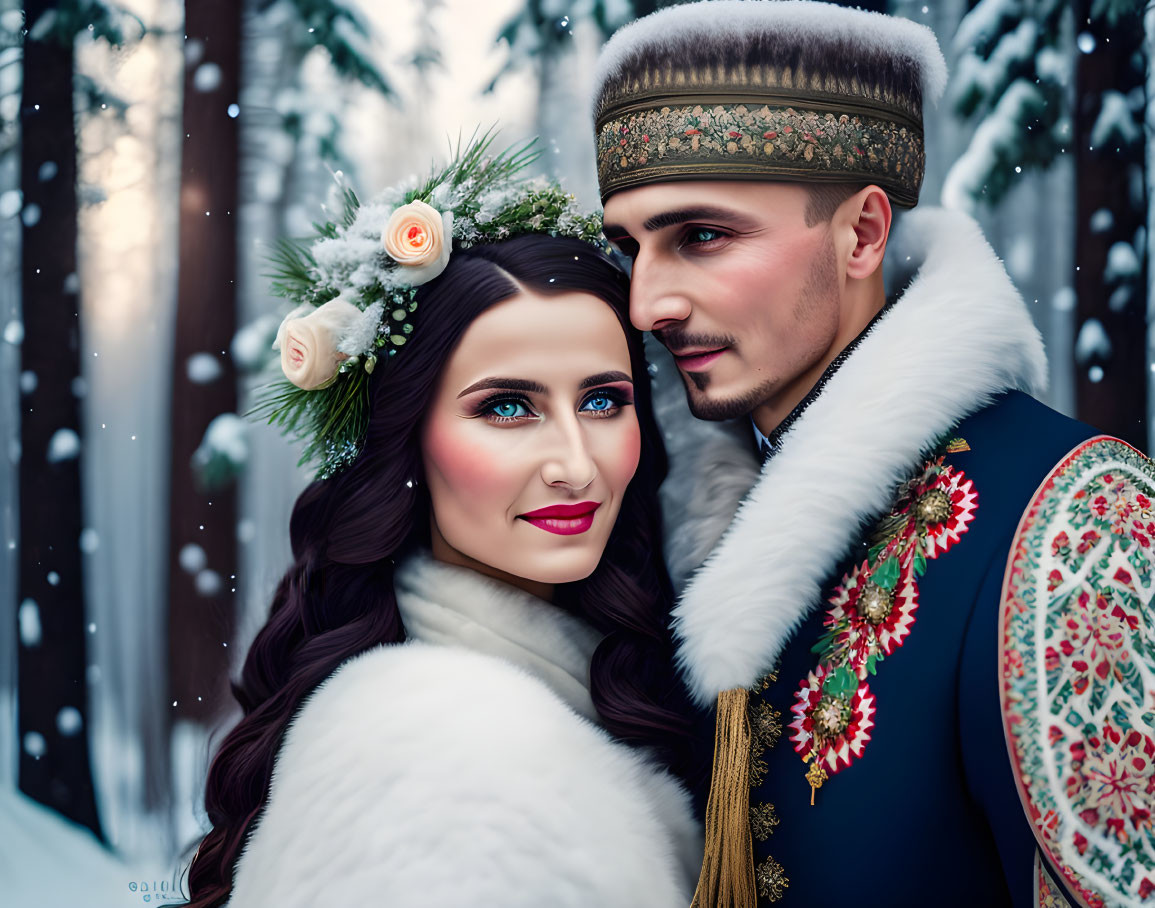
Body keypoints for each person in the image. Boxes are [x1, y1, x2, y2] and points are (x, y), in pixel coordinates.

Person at [591, 2, 1155, 906]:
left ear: (861, 234)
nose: (647, 302)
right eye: (631, 246)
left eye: (701, 236)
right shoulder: (654, 524)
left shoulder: (1079, 523)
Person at [181, 146, 701, 907]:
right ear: (407, 441)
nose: (575, 464)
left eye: (600, 402)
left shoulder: (599, 682)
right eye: (506, 407)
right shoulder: (436, 757)